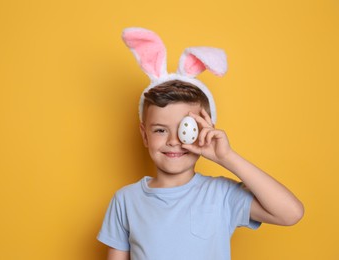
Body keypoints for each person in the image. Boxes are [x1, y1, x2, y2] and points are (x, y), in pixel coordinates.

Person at [97, 28, 304, 260]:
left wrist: (227, 157)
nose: (174, 140)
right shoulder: (126, 200)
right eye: (160, 130)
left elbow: (291, 213)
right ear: (144, 135)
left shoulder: (221, 195)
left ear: (205, 131)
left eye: (186, 129)